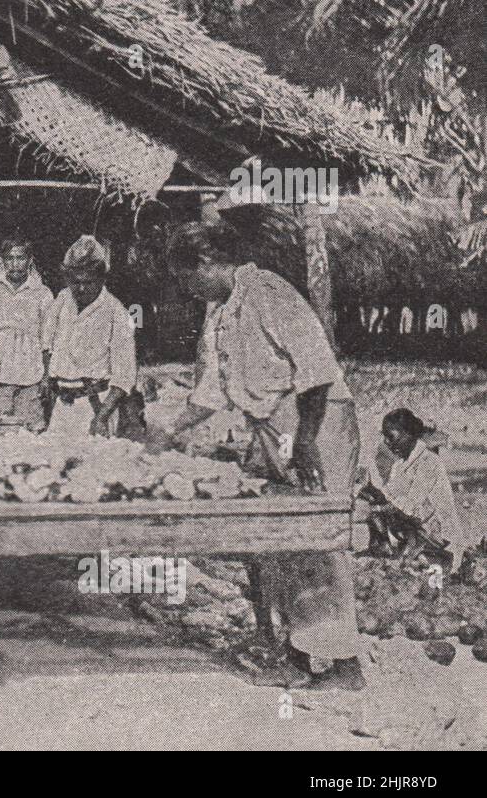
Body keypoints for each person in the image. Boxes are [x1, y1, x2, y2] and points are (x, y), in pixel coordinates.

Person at [151, 221, 364, 690]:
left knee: (317, 536)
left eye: (188, 280)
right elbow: (210, 392)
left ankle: (345, 666)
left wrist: (306, 440)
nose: (187, 291)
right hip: (273, 426)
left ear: (206, 263)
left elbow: (317, 369)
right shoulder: (223, 313)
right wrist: (167, 431)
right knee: (271, 533)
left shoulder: (269, 292)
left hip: (317, 420)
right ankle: (294, 650)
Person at [48, 236, 140, 437]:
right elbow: (47, 344)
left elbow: (124, 377)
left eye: (88, 282)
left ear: (102, 278)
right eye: (75, 282)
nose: (81, 289)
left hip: (95, 407)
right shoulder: (63, 299)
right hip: (61, 406)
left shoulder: (117, 313)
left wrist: (101, 418)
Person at [359, 408, 468, 568]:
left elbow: (409, 508)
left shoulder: (428, 462)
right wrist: (371, 489)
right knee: (370, 498)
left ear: (408, 433)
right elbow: (390, 499)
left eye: (391, 437)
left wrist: (379, 503)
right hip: (416, 535)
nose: (387, 443)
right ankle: (383, 547)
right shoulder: (399, 465)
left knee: (411, 567)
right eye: (385, 437)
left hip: (440, 540)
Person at [0, 238, 55, 431]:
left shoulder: (43, 294)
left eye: (20, 258)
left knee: (32, 431)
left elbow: (48, 340)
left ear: (30, 260)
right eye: (10, 258)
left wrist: (47, 378)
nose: (15, 264)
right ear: (2, 261)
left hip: (32, 376)